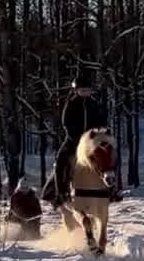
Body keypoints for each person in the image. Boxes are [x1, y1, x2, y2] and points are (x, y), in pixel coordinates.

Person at [43, 74, 107, 206]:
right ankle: (59, 193)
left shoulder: (94, 105)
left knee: (109, 158)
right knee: (60, 161)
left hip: (92, 142)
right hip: (73, 141)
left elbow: (101, 122)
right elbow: (66, 123)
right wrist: (77, 139)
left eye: (87, 90)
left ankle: (113, 191)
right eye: (82, 90)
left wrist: (99, 135)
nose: (85, 93)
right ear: (76, 91)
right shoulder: (71, 104)